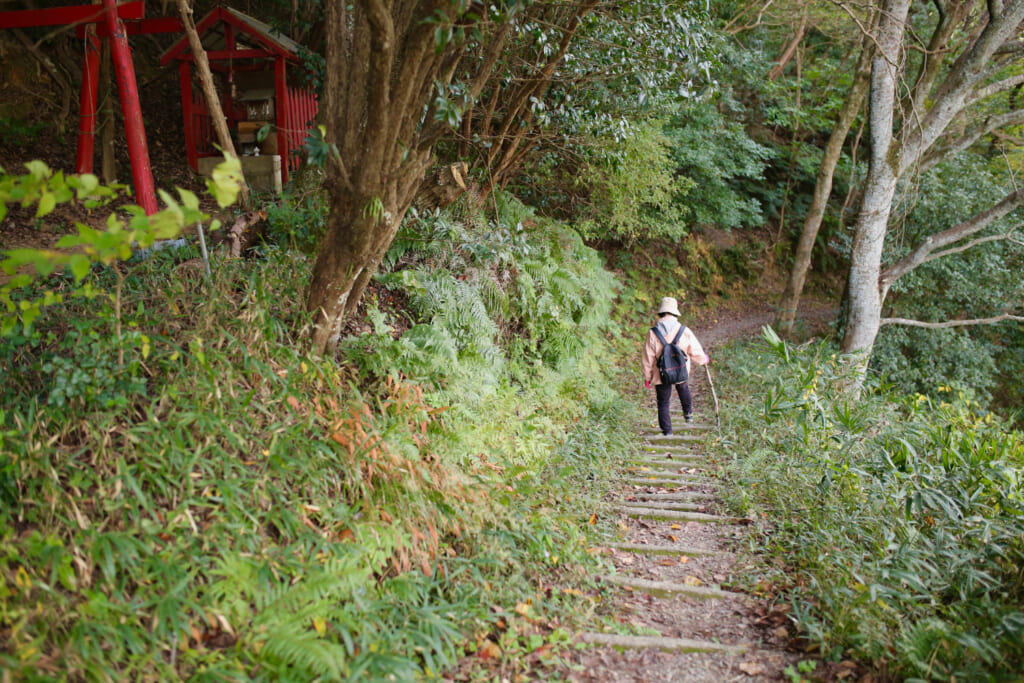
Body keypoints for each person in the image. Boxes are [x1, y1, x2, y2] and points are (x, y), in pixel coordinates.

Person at [641, 297, 709, 435]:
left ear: (661, 312)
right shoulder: (684, 330)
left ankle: (667, 431)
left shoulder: (653, 333)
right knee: (683, 387)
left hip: (661, 372)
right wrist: (703, 359)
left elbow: (648, 357)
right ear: (674, 313)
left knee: (663, 401)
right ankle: (688, 413)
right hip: (680, 369)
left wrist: (648, 377)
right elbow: (694, 349)